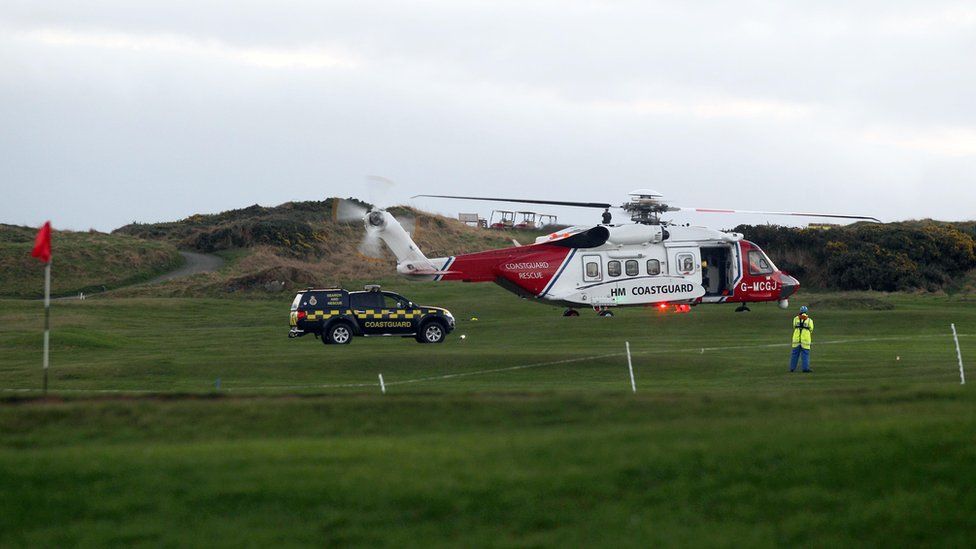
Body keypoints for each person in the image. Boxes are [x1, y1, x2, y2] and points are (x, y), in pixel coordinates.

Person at [790, 305, 814, 373]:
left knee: (794, 354)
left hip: (796, 339)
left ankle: (792, 368)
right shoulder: (809, 320)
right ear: (806, 312)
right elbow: (811, 329)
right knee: (805, 354)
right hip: (805, 340)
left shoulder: (795, 319)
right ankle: (805, 368)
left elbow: (794, 326)